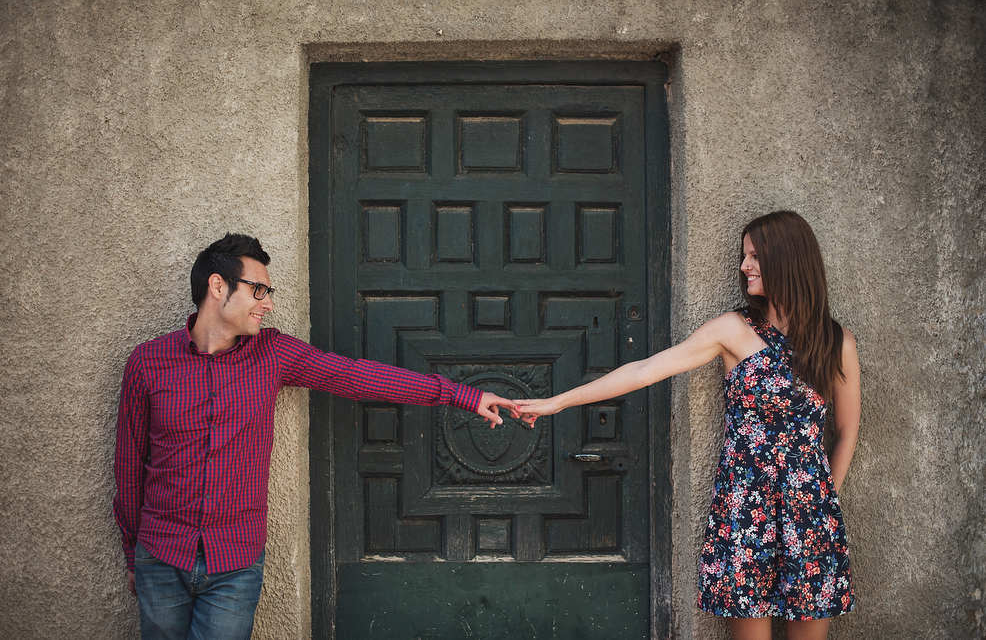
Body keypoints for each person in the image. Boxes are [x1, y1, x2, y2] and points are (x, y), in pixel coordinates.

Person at [114, 233, 517, 639]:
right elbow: (129, 468)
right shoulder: (148, 363)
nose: (267, 304)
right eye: (258, 290)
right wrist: (135, 556)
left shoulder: (273, 355)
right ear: (218, 286)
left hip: (234, 562)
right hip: (161, 557)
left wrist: (462, 395)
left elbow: (358, 377)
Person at [516, 211, 860, 640]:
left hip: (811, 514)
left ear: (787, 259)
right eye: (744, 256)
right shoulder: (733, 330)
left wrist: (825, 499)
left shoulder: (836, 341)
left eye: (754, 256)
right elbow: (644, 370)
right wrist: (557, 402)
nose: (744, 266)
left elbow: (846, 431)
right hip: (744, 512)